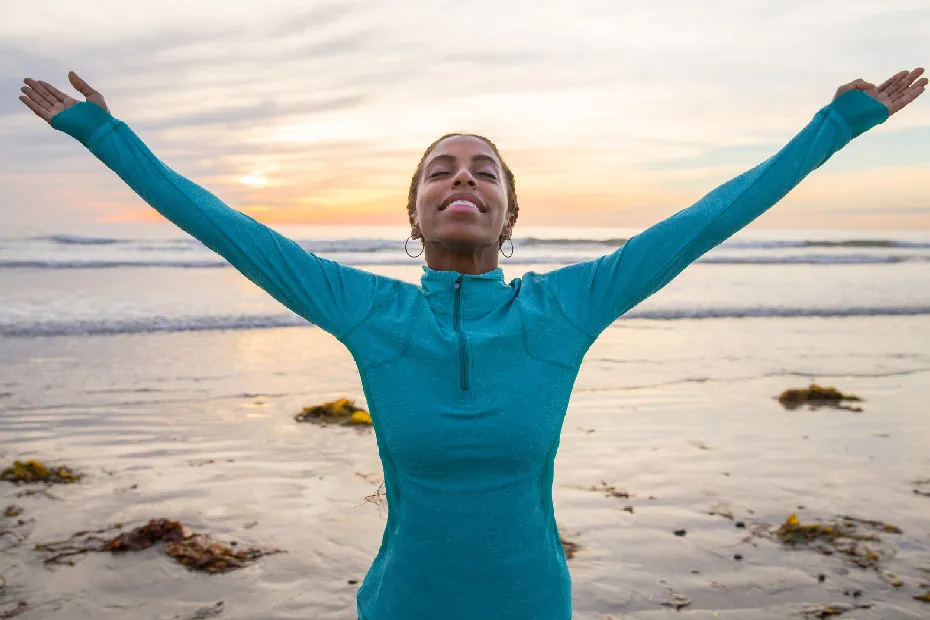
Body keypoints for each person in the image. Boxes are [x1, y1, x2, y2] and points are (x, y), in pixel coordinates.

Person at [19, 67, 926, 620]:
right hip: (401, 605)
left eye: (483, 171)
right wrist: (105, 135)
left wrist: (835, 126)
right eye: (441, 171)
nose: (463, 179)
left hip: (532, 604)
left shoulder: (566, 308)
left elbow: (708, 218)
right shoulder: (366, 311)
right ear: (415, 215)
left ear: (508, 213)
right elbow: (225, 227)